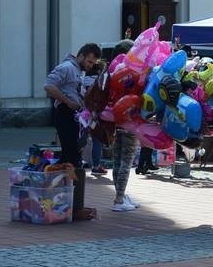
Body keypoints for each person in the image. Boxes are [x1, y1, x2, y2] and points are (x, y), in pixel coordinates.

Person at [43, 42, 101, 221]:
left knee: (71, 157)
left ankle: (66, 204)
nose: (90, 66)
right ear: (82, 55)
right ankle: (74, 207)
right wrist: (68, 101)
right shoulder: (67, 67)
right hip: (65, 115)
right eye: (90, 62)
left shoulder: (78, 71)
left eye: (93, 63)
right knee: (72, 159)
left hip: (73, 117)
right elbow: (49, 86)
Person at [110, 39, 142, 212]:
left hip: (116, 120)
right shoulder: (132, 71)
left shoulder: (113, 70)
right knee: (126, 161)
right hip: (131, 120)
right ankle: (119, 199)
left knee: (117, 159)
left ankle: (120, 195)